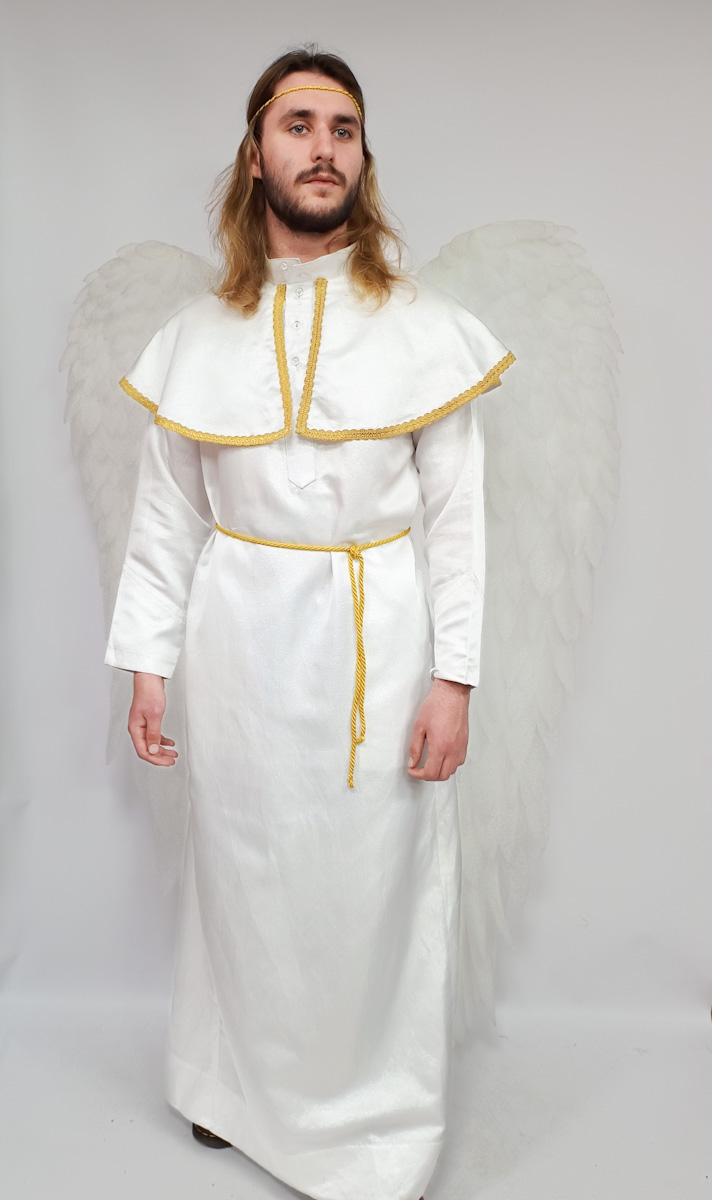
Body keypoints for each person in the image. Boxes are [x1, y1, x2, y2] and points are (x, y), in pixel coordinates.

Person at [104, 46, 514, 1200]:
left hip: (377, 647)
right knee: (241, 872)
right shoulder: (197, 335)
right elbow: (166, 517)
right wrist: (146, 662)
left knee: (367, 881)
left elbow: (458, 521)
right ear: (254, 157)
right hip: (237, 644)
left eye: (343, 128)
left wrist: (455, 679)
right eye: (297, 126)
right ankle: (231, 1090)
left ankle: (368, 1123)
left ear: (362, 159)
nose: (322, 148)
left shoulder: (421, 326)